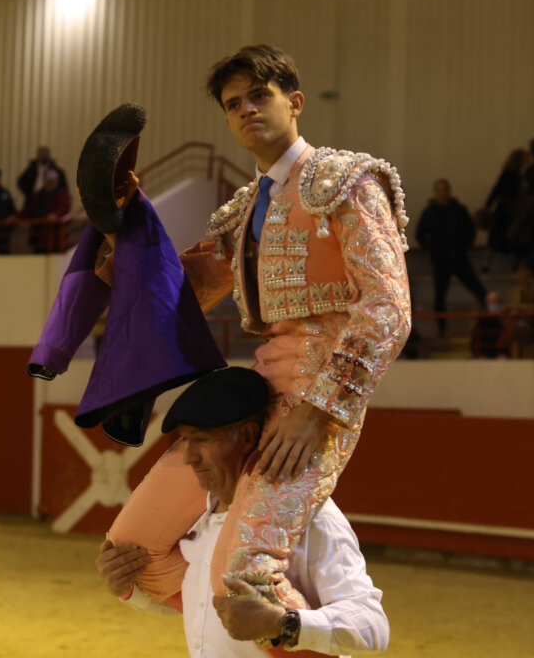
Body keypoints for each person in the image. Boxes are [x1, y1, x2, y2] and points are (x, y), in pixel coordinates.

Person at [35, 45, 411, 613]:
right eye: (234, 104)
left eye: (260, 96)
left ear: (296, 102)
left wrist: (319, 411)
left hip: (318, 399)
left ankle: (297, 628)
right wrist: (126, 232)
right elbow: (187, 289)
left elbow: (389, 308)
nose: (246, 110)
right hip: (258, 392)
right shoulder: (244, 210)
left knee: (244, 580)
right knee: (131, 552)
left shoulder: (348, 182)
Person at [97, 367, 389, 657]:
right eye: (185, 439)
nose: (188, 457)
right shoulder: (198, 519)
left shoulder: (308, 515)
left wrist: (283, 623)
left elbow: (373, 626)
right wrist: (127, 589)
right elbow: (200, 612)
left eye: (202, 439)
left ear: (248, 436)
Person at [415, 178, 485, 337]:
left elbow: (470, 230)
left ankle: (490, 319)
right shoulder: (430, 212)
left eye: (445, 190)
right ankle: (442, 329)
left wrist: (464, 244)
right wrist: (433, 247)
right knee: (439, 296)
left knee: (477, 288)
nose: (443, 194)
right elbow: (420, 234)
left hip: (459, 257)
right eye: (440, 190)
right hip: (441, 260)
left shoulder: (458, 210)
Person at [482, 149, 525, 263]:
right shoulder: (515, 175)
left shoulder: (509, 173)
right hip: (510, 207)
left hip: (505, 206)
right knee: (504, 231)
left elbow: (497, 189)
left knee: (499, 231)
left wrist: (488, 203)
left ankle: (494, 256)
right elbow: (498, 189)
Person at [22, 169, 71, 253]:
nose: (50, 184)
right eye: (49, 181)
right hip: (38, 234)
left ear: (56, 182)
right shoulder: (39, 195)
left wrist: (55, 215)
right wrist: (17, 216)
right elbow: (29, 208)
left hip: (54, 236)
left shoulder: (62, 194)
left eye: (52, 181)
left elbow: (64, 207)